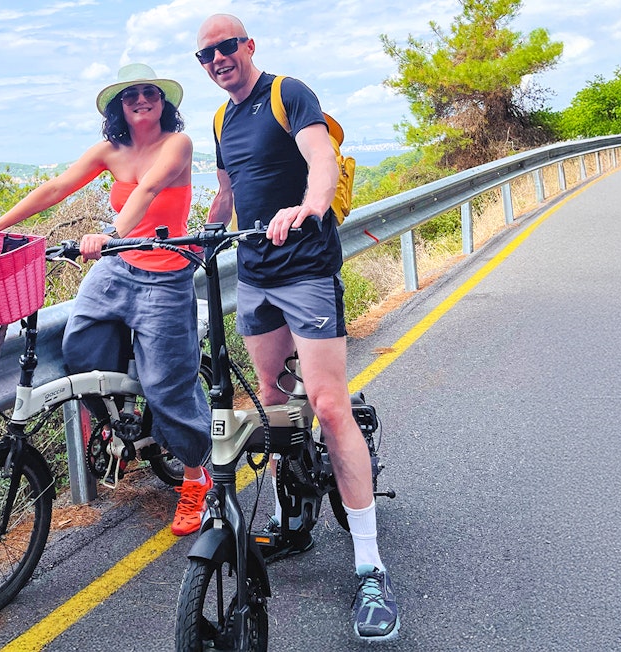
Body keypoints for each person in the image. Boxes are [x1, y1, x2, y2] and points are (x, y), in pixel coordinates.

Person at [195, 14, 401, 641]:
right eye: (205, 54)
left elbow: (321, 158)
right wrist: (200, 231)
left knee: (330, 406)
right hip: (254, 275)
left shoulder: (288, 93)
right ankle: (293, 513)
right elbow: (229, 191)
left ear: (248, 46)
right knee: (274, 401)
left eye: (226, 47)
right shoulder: (221, 119)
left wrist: (311, 204)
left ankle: (369, 564)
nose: (217, 59)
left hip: (306, 268)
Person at [0, 63, 212, 537]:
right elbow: (57, 187)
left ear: (163, 101)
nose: (141, 100)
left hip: (165, 272)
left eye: (149, 93)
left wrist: (111, 232)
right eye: (130, 95)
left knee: (169, 387)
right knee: (80, 350)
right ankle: (125, 420)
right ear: (118, 105)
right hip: (117, 268)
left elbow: (151, 188)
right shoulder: (109, 150)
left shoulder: (177, 143)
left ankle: (197, 477)